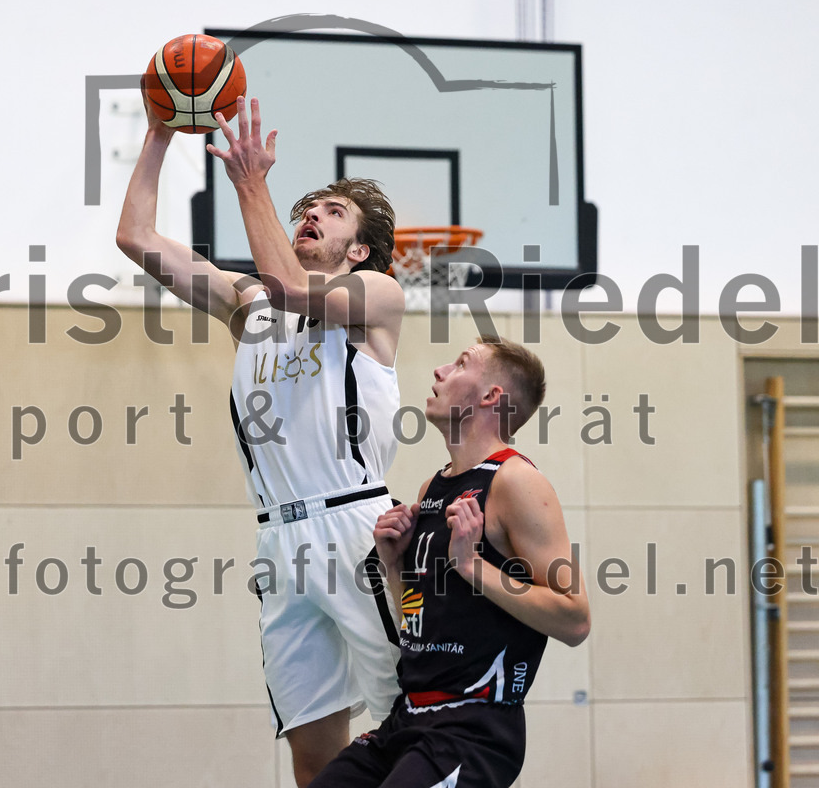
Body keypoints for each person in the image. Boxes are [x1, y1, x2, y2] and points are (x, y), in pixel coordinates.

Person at [116, 94, 405, 787]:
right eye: (310, 207)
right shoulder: (247, 304)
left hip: (358, 528)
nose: (314, 215)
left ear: (359, 248)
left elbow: (292, 285)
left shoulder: (375, 296)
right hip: (279, 541)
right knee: (313, 754)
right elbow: (136, 238)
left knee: (416, 725)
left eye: (332, 213)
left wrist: (251, 183)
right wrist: (159, 132)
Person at [308, 336, 591, 788]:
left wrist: (474, 566)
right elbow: (420, 618)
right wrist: (393, 564)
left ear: (490, 397)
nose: (440, 371)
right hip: (410, 718)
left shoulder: (518, 482)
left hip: (473, 729)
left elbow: (574, 619)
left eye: (461, 364)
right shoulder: (432, 489)